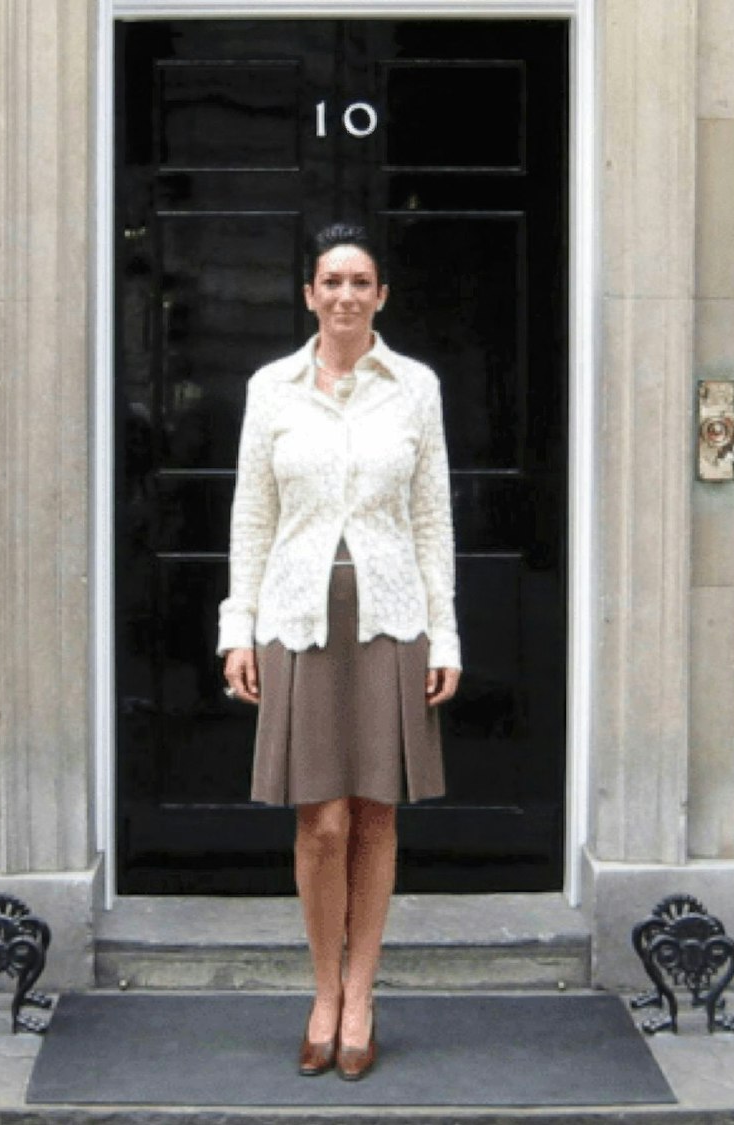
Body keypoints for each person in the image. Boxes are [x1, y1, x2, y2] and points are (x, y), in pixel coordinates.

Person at [216, 223, 461, 1082]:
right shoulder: (272, 388)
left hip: (393, 619)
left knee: (376, 813)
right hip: (297, 621)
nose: (347, 295)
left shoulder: (415, 388)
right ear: (310, 294)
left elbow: (433, 520)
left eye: (362, 281)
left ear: (382, 295)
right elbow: (252, 515)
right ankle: (322, 988)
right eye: (332, 281)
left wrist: (448, 632)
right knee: (320, 820)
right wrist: (235, 627)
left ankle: (362, 995)